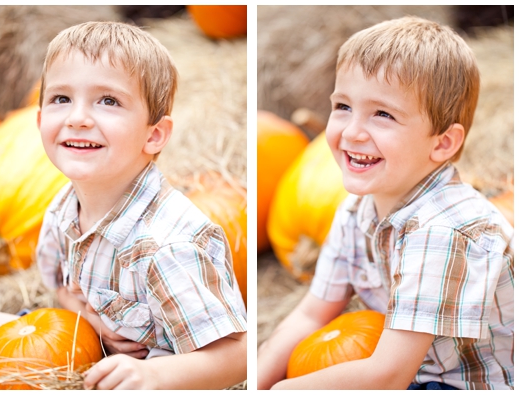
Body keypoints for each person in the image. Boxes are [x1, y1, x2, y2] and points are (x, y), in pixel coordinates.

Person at [257, 16, 513, 390]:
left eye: (383, 114)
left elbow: (389, 375)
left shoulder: (444, 233)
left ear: (442, 143)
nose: (352, 131)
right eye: (343, 106)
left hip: (463, 383)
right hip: (407, 370)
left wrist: (286, 390)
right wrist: (258, 383)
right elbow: (311, 316)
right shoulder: (356, 210)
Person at [31, 21, 247, 390]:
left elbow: (238, 357)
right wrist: (94, 321)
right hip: (100, 362)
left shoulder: (168, 246)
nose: (77, 118)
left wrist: (152, 375)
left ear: (154, 134)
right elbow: (60, 286)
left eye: (109, 101)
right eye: (61, 99)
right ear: (38, 121)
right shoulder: (62, 209)